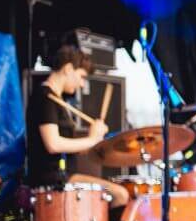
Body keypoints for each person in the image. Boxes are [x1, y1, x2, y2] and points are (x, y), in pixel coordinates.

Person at [26, 45, 128, 207]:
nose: (82, 84)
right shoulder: (45, 98)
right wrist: (93, 139)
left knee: (118, 193)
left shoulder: (57, 99)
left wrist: (97, 142)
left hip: (64, 177)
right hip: (52, 180)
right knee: (119, 195)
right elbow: (53, 144)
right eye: (81, 76)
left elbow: (67, 146)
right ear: (67, 69)